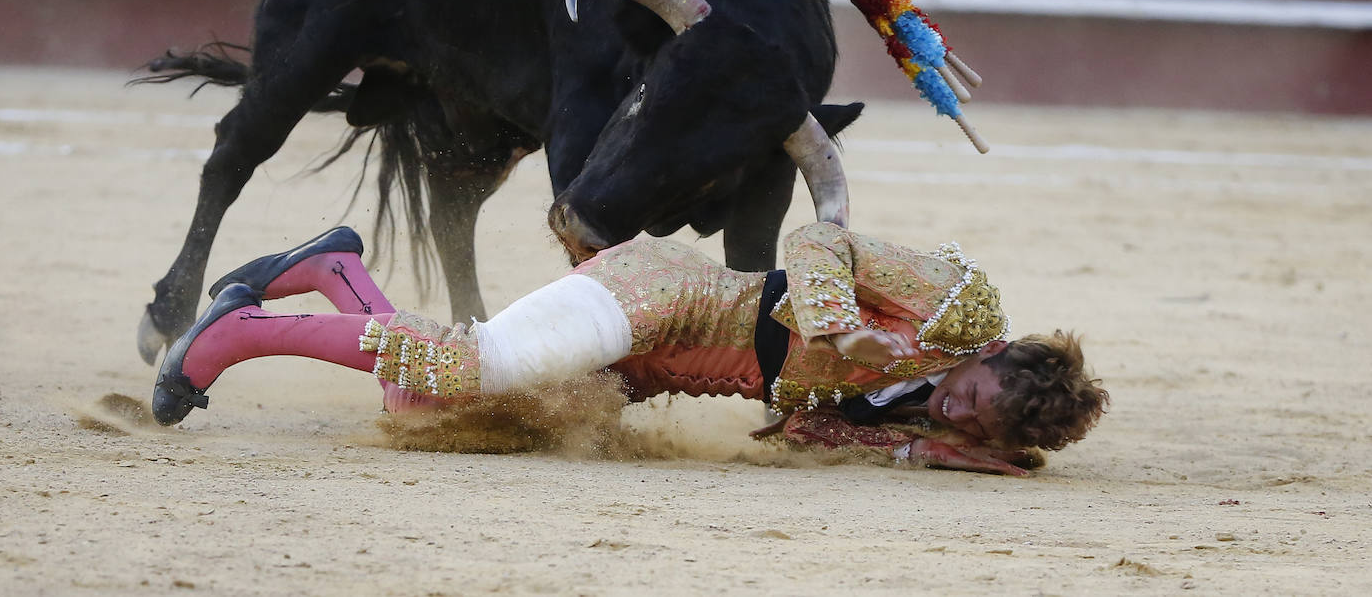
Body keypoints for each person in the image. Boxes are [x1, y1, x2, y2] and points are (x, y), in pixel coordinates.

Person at [153, 222, 1108, 475]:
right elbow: (825, 240)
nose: (956, 408)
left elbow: (802, 431)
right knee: (471, 366)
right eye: (972, 394)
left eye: (975, 424)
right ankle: (238, 333)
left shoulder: (936, 419)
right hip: (663, 298)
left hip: (640, 374)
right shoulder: (954, 303)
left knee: (426, 413)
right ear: (996, 354)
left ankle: (333, 270)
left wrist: (923, 449)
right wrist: (829, 319)